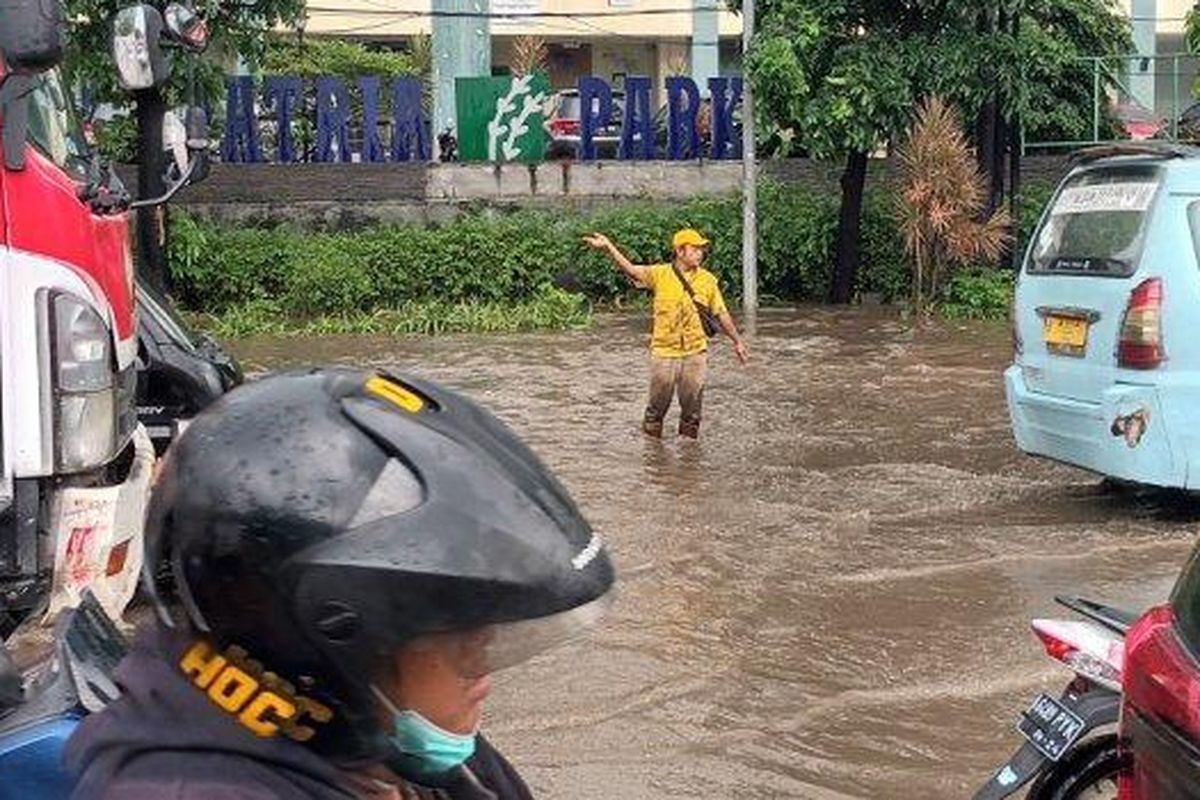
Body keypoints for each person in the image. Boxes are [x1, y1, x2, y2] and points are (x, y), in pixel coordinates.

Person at [65, 368, 615, 800]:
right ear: (320, 648)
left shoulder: (387, 733)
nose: (485, 649)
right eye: (455, 628)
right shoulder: (194, 790)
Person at [583, 228, 748, 439]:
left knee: (692, 412)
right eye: (695, 249)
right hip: (663, 352)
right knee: (655, 410)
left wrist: (737, 341)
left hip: (695, 352)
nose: (700, 253)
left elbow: (721, 313)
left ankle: (689, 459)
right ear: (680, 251)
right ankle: (653, 457)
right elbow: (631, 270)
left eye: (701, 249)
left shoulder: (708, 280)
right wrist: (608, 248)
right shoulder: (659, 274)